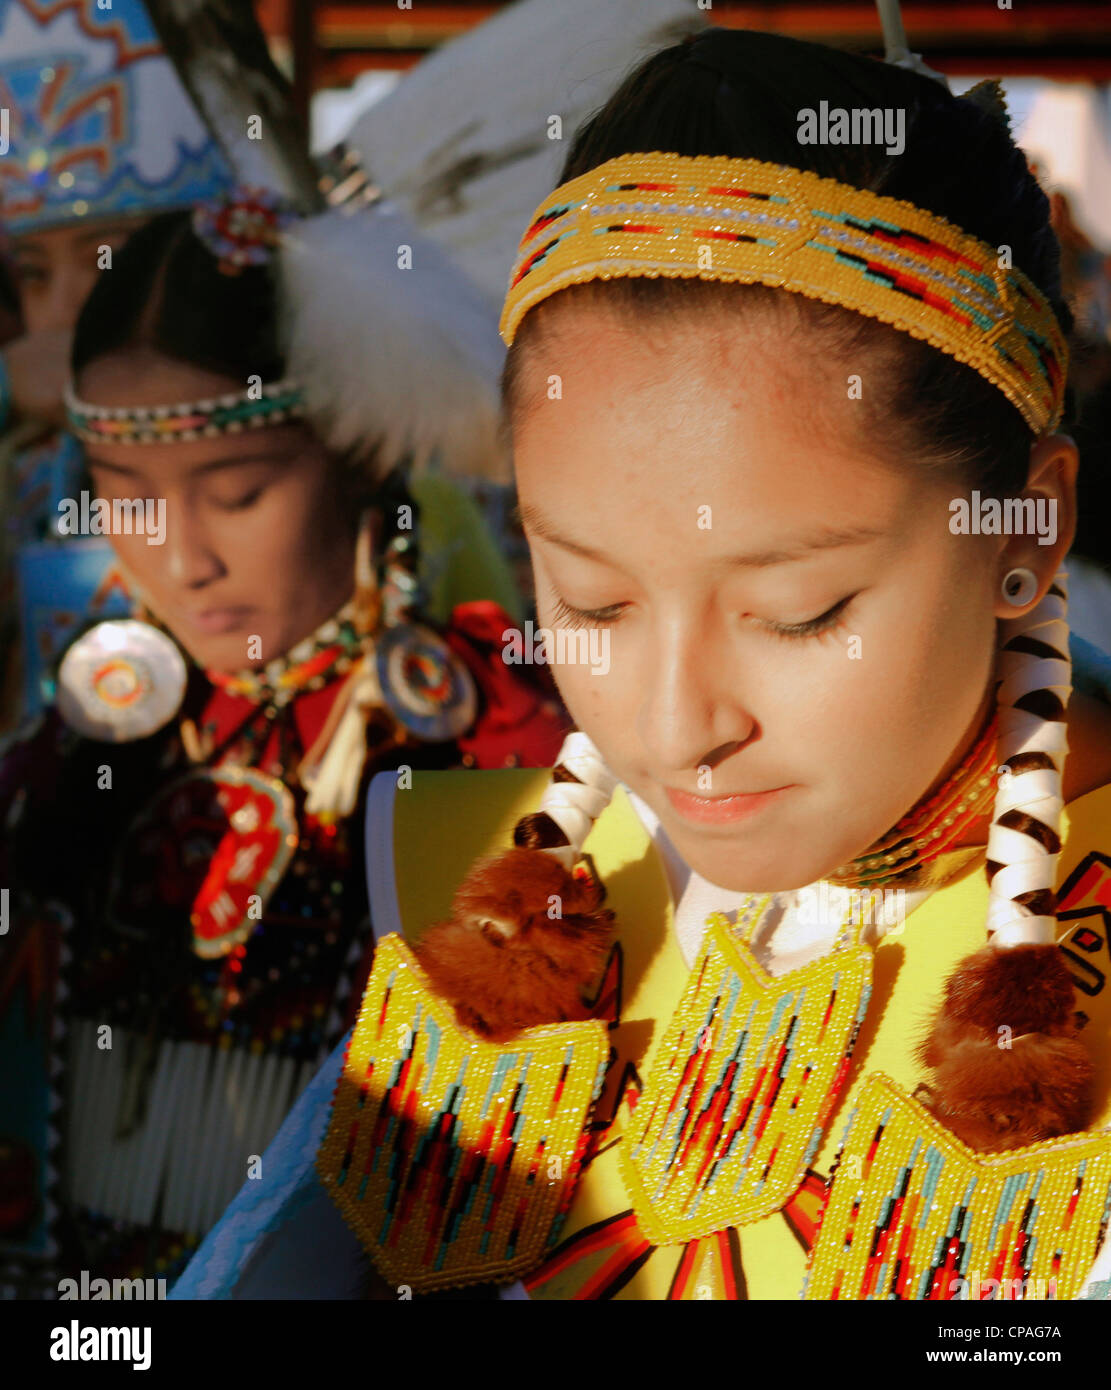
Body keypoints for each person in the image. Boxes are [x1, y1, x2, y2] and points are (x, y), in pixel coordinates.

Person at [175, 25, 1111, 1302]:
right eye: (593, 600)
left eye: (797, 608)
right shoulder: (489, 889)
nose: (674, 727)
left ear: (1025, 531)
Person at [0, 187, 569, 1298]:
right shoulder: (70, 757)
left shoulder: (488, 749)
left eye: (240, 492)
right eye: (125, 496)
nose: (183, 559)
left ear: (354, 460)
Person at [0, 0, 234, 730]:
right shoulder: (25, 471)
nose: (62, 308)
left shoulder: (307, 451)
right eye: (34, 276)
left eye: (104, 258)